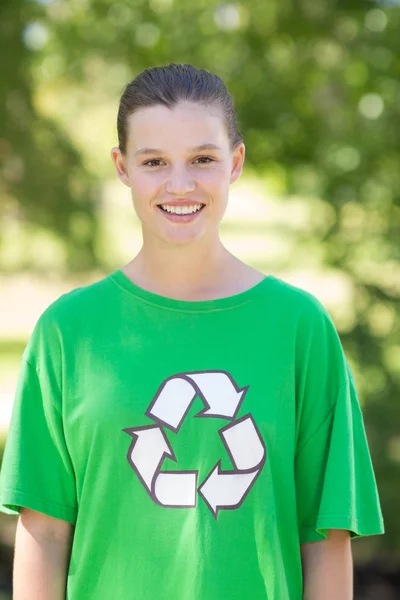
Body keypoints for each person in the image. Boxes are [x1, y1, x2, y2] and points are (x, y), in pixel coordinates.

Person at [0, 63, 384, 600]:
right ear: (122, 167)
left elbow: (325, 538)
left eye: (203, 159)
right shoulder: (68, 333)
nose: (180, 185)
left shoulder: (300, 329)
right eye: (154, 161)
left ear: (236, 162)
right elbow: (43, 532)